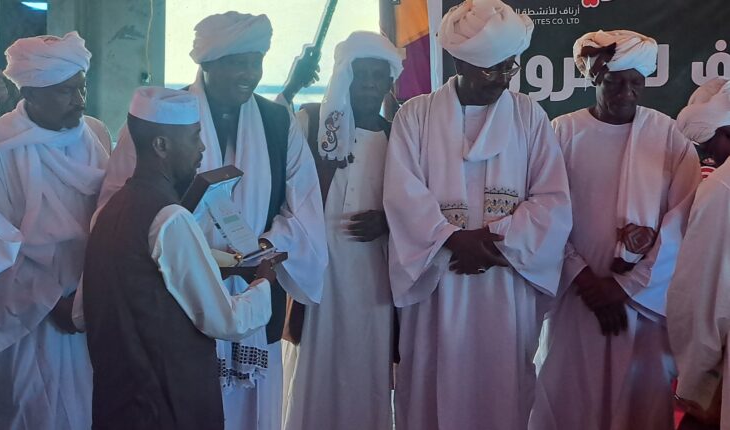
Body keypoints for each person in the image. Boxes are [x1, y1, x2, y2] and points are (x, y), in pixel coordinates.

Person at [99, 12, 327, 430]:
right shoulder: (165, 118)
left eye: (256, 62)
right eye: (237, 63)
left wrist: (259, 253)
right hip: (179, 296)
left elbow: (305, 209)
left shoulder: (279, 124)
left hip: (256, 286)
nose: (249, 74)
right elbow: (122, 206)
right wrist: (190, 252)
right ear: (207, 63)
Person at [382, 1, 573, 428]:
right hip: (437, 280)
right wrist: (452, 240)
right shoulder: (416, 116)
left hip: (504, 277)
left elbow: (552, 199)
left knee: (501, 391)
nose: (504, 78)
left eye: (510, 67)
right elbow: (402, 193)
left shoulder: (529, 116)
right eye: (493, 69)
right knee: (431, 383)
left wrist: (490, 242)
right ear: (460, 62)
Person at [529, 30, 702, 430]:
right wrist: (583, 277)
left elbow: (682, 222)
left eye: (635, 83)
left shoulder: (668, 137)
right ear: (595, 78)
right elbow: (544, 212)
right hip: (576, 298)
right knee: (569, 395)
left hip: (641, 305)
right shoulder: (561, 133)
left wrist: (626, 287)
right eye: (615, 82)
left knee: (639, 404)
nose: (627, 93)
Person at [83, 86, 275, 430]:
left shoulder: (107, 212)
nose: (202, 148)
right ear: (161, 145)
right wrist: (263, 282)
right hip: (167, 408)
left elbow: (86, 310)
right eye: (194, 137)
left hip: (118, 405)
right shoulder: (170, 218)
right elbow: (227, 321)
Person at [0, 31, 109, 429]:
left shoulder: (96, 135)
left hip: (90, 308)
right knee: (28, 412)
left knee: (89, 409)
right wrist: (52, 302)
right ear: (31, 94)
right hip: (28, 318)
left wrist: (89, 298)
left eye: (82, 87)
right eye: (65, 91)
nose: (79, 100)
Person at [282, 31, 403, 430]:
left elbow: (416, 204)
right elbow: (277, 164)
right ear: (343, 77)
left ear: (389, 82)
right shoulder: (311, 121)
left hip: (373, 276)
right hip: (317, 272)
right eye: (359, 74)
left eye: (377, 75)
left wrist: (387, 221)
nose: (368, 84)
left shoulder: (398, 135)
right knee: (313, 367)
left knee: (366, 369)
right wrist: (290, 88)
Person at [668, 78, 730, 430]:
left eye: (710, 144)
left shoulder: (722, 188)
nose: (709, 156)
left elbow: (701, 301)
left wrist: (696, 385)